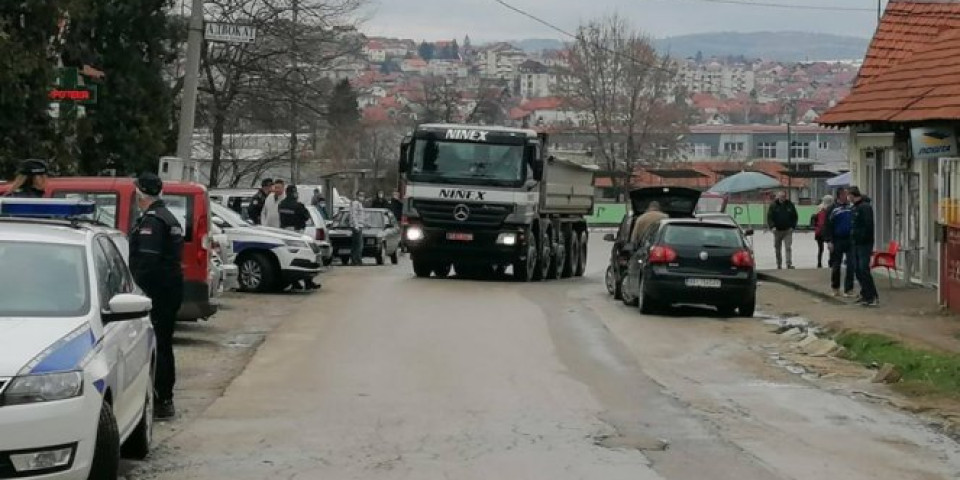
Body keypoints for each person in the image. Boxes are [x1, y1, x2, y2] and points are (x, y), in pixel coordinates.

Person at [129, 172, 184, 420]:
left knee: (159, 345)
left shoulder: (153, 221)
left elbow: (147, 264)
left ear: (141, 193)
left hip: (158, 292)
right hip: (169, 290)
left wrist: (134, 290)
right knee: (164, 344)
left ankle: (163, 399)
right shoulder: (169, 217)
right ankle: (164, 397)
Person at [279, 185, 319, 290]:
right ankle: (308, 282)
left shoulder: (281, 204)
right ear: (294, 193)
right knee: (304, 256)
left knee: (290, 257)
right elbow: (306, 217)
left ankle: (295, 283)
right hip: (297, 233)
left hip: (285, 232)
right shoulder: (298, 206)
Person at [849, 186, 879, 307]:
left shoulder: (865, 207)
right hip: (856, 243)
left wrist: (861, 237)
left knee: (863, 269)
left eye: (849, 195)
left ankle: (872, 295)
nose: (848, 198)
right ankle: (865, 293)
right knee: (857, 269)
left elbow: (868, 226)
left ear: (852, 195)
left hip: (864, 244)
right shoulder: (854, 208)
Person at [823, 189, 855, 297]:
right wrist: (829, 241)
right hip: (837, 240)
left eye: (847, 194)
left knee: (851, 264)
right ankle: (835, 288)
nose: (847, 196)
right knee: (836, 265)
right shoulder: (832, 209)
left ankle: (849, 289)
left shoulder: (851, 207)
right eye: (845, 194)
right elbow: (827, 226)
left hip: (850, 239)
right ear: (840, 195)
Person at [767, 191, 798, 269]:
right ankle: (779, 264)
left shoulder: (790, 205)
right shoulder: (773, 205)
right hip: (777, 231)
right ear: (778, 197)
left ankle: (788, 263)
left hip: (788, 230)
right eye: (781, 196)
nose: (782, 198)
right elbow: (769, 217)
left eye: (784, 196)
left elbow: (795, 216)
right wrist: (772, 227)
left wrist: (793, 227)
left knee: (788, 247)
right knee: (777, 248)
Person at [811, 195, 833, 268]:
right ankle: (830, 262)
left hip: (819, 231)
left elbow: (815, 219)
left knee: (820, 249)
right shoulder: (831, 209)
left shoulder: (819, 208)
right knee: (831, 248)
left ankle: (819, 263)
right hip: (828, 231)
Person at [349, 191, 366, 266]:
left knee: (357, 244)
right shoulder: (355, 203)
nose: (362, 197)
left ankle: (355, 260)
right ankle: (356, 260)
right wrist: (356, 226)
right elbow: (354, 215)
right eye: (360, 195)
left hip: (359, 226)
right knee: (358, 244)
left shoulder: (359, 204)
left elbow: (360, 216)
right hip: (357, 227)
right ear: (357, 196)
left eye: (363, 195)